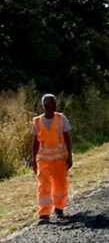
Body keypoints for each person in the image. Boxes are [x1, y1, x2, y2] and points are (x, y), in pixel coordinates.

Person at [29, 94, 73, 224]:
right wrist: (33, 159)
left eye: (55, 104)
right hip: (43, 160)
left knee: (60, 183)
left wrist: (69, 156)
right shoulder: (37, 121)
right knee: (44, 186)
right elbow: (35, 143)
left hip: (60, 158)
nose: (55, 106)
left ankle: (59, 207)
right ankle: (44, 213)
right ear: (46, 106)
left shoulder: (61, 118)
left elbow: (67, 137)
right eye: (52, 104)